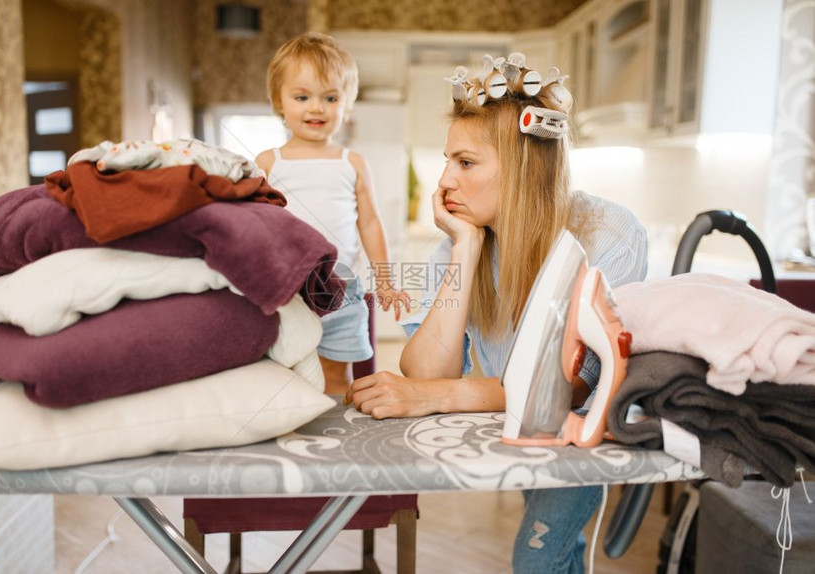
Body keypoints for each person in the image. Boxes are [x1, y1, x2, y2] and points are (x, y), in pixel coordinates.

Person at [346, 55, 648, 573]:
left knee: (538, 559)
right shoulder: (459, 240)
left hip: (580, 432)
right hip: (511, 422)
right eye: (448, 160)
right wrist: (464, 247)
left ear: (527, 165)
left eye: (465, 163)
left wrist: (432, 397)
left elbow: (570, 388)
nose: (445, 181)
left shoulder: (609, 235)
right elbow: (425, 370)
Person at [257, 32, 409, 395]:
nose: (316, 108)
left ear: (347, 103)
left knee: (337, 378)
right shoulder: (267, 163)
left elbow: (370, 224)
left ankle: (334, 446)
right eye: (302, 96)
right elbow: (255, 228)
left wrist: (385, 280)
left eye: (330, 98)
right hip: (285, 291)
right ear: (279, 101)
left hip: (341, 289)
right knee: (285, 373)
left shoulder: (351, 163)